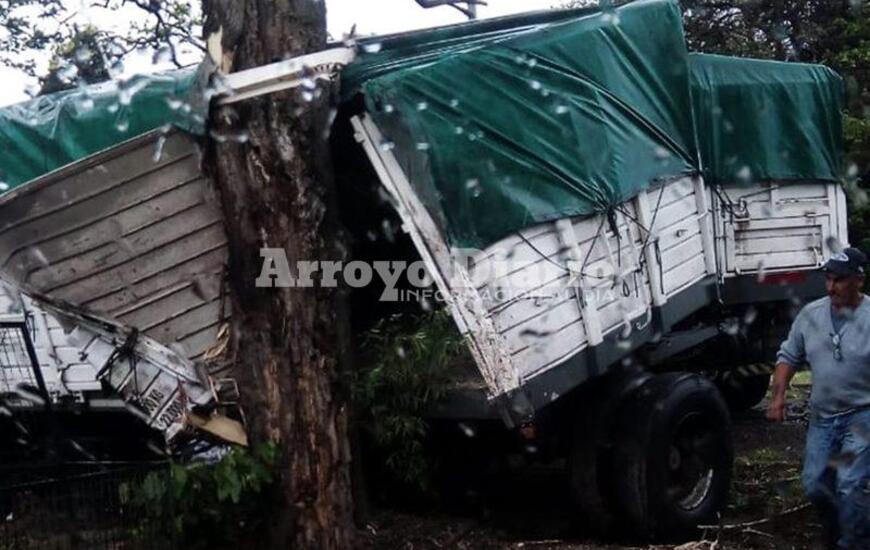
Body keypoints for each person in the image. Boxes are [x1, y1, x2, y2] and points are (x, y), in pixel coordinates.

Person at [768, 247, 870, 549]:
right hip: (823, 417)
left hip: (862, 415)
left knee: (850, 484)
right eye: (828, 278)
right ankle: (838, 528)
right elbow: (788, 356)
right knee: (815, 486)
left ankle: (856, 542)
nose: (830, 287)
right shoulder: (811, 315)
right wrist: (778, 396)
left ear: (858, 280)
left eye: (839, 280)